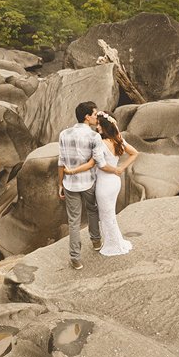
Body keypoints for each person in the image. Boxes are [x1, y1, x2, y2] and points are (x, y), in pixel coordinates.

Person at [65, 110, 139, 256]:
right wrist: (120, 169)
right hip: (115, 182)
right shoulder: (119, 140)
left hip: (104, 184)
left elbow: (96, 165)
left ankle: (113, 245)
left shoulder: (101, 143)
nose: (97, 127)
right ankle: (116, 241)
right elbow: (135, 153)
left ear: (105, 125)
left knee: (106, 215)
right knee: (109, 213)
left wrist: (72, 171)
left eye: (99, 125)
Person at [58, 102, 121, 270]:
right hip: (89, 182)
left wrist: (60, 183)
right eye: (94, 114)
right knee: (92, 209)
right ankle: (96, 241)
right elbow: (98, 163)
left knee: (73, 221)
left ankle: (76, 259)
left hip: (70, 185)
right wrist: (114, 169)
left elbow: (61, 162)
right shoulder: (94, 137)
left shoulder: (64, 134)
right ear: (87, 117)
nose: (96, 117)